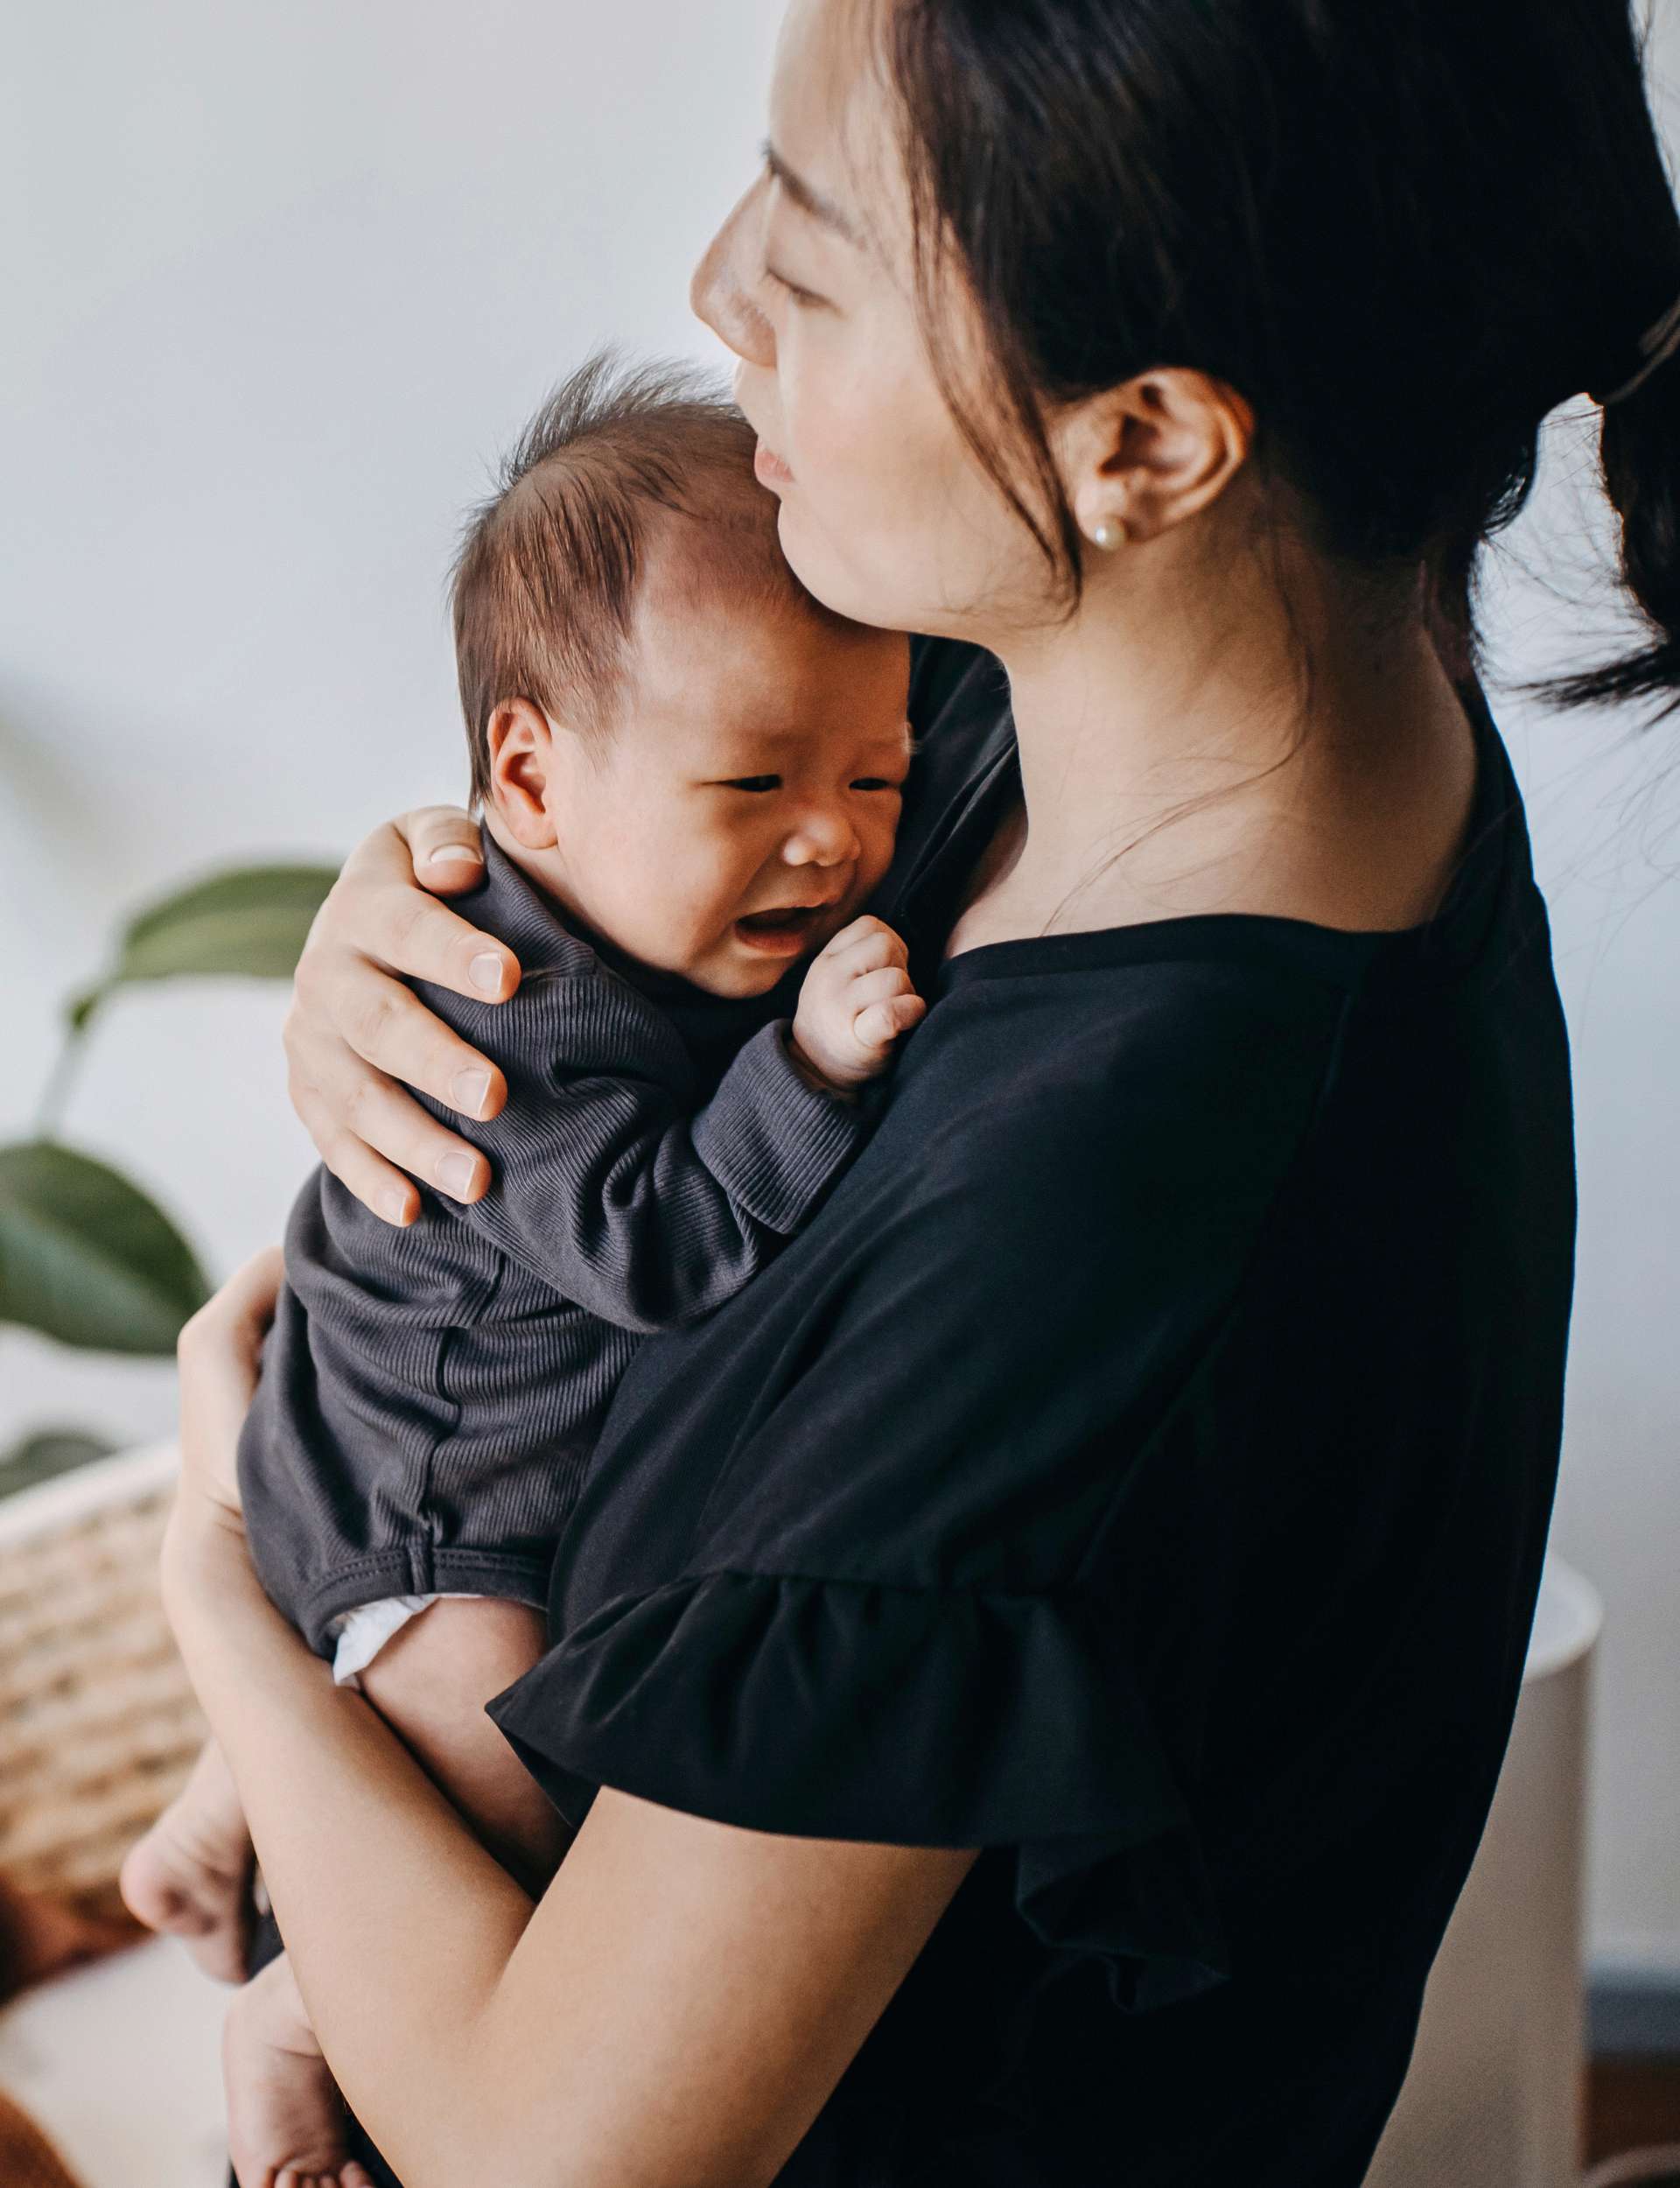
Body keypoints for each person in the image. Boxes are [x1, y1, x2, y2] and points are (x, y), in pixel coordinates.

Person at [161, 0, 1680, 2181]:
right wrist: (437, 907)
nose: (713, 285)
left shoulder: (1099, 1205)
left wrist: (223, 1586)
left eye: (814, 238)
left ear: (1147, 443)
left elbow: (552, 2149)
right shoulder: (1118, 712)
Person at [122, 354, 920, 2186]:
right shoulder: (517, 1012)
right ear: (529, 779)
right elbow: (649, 1244)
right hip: (423, 1496)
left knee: (371, 1713)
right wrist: (804, 1071)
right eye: (757, 779)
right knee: (495, 1767)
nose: (835, 832)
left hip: (382, 1429)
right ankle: (298, 2004)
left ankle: (217, 1799)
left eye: (876, 768)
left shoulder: (611, 882)